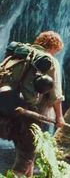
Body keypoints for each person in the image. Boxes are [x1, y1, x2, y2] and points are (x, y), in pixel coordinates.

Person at [0, 31, 65, 177]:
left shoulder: (19, 54)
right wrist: (60, 117)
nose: (56, 54)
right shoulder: (48, 60)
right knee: (27, 151)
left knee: (26, 148)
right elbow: (56, 94)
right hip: (26, 111)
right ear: (53, 46)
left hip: (5, 103)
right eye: (57, 51)